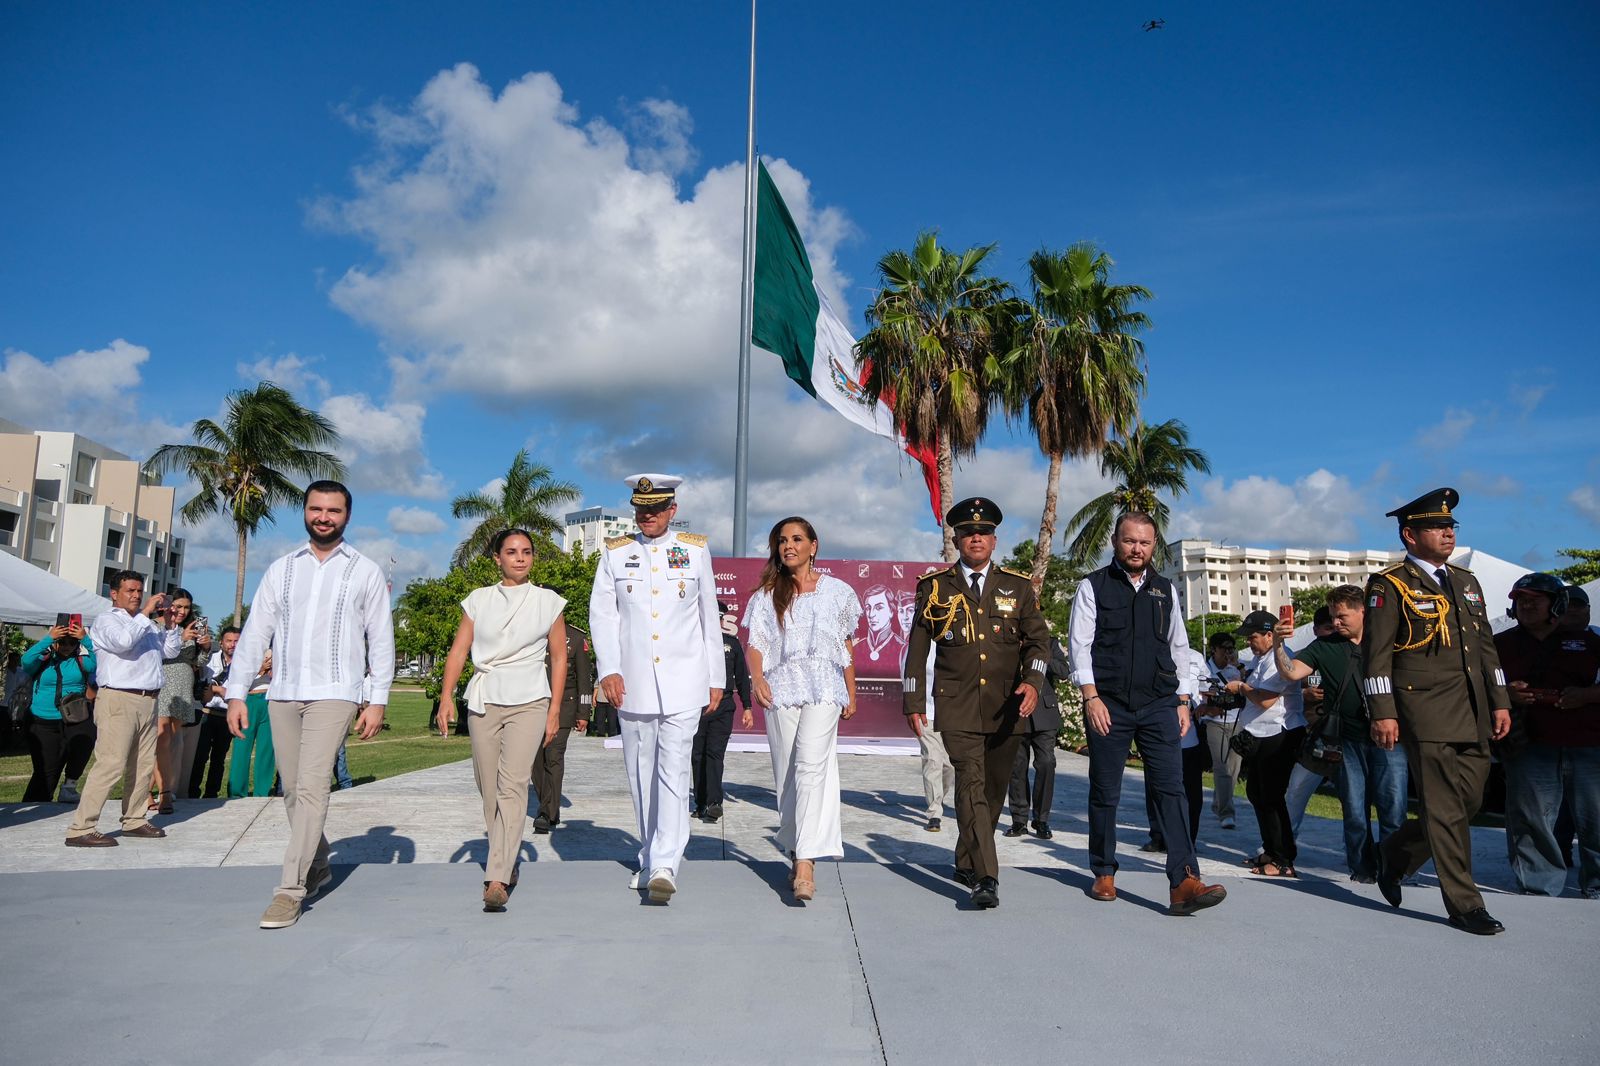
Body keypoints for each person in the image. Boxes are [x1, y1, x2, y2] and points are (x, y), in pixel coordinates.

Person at [227, 481, 394, 929]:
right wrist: (236, 693)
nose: (324, 516)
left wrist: (376, 700)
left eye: (333, 510)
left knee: (314, 786)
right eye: (316, 508)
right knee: (292, 788)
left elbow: (381, 641)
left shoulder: (365, 571)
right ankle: (319, 862)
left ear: (347, 516)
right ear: (304, 511)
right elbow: (255, 634)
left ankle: (290, 889)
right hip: (282, 692)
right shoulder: (282, 568)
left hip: (336, 692)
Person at [1362, 487, 1511, 935]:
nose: (1448, 532)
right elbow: (1376, 655)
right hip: (1422, 710)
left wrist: (1500, 699)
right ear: (1410, 535)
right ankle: (1465, 905)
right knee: (1445, 807)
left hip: (1473, 710)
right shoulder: (1390, 584)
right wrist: (1382, 711)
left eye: (1450, 527)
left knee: (1468, 801)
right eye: (1437, 527)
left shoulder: (1467, 582)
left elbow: (1486, 648)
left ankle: (1395, 852)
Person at [1069, 512, 1227, 915]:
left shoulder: (1165, 590)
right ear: (1115, 541)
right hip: (1109, 705)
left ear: (1153, 544)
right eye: (1129, 541)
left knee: (1172, 789)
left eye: (1145, 542)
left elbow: (1179, 647)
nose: (1137, 549)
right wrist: (1091, 697)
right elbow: (1080, 646)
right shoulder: (1093, 587)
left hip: (1159, 704)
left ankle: (1184, 880)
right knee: (1106, 791)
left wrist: (1182, 700)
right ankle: (1103, 870)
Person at [904, 497, 1049, 909]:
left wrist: (1034, 681)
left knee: (993, 791)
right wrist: (913, 699)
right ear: (956, 539)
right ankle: (986, 877)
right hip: (957, 705)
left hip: (1008, 707)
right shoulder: (934, 588)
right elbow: (916, 651)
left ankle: (966, 857)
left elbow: (1039, 642)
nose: (976, 538)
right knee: (970, 786)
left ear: (994, 539)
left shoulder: (1018, 588)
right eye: (968, 533)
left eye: (983, 533)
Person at [588, 473, 721, 903]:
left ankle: (666, 862)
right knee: (639, 771)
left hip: (685, 680)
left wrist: (716, 677)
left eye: (656, 509)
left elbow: (708, 619)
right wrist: (608, 669)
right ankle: (649, 856)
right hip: (633, 682)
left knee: (674, 768)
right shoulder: (614, 554)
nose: (647, 515)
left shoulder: (695, 551)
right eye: (641, 509)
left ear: (672, 511)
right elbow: (603, 616)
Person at [437, 528, 567, 911]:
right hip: (484, 699)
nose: (520, 558)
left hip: (530, 699)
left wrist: (555, 708)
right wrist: (446, 696)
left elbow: (558, 657)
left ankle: (496, 875)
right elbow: (460, 650)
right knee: (488, 787)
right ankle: (506, 860)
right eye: (511, 552)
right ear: (497, 558)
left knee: (513, 786)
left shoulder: (549, 601)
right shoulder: (478, 600)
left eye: (526, 552)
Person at [746, 517, 859, 901]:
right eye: (782, 541)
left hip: (825, 687)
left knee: (811, 764)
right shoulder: (764, 595)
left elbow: (844, 646)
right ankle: (798, 844)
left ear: (814, 545)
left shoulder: (839, 593)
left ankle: (805, 863)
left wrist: (851, 689)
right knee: (788, 774)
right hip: (780, 688)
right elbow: (756, 644)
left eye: (797, 539)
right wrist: (757, 678)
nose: (788, 546)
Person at [1267, 585, 1407, 882]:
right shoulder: (1324, 645)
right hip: (1346, 740)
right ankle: (1362, 870)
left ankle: (1396, 870)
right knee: (1355, 811)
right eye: (1333, 616)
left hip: (1390, 739)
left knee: (1393, 810)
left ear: (1363, 612)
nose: (1336, 622)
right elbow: (1291, 673)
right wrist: (1278, 643)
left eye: (1342, 616)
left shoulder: (1390, 641)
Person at [65, 570, 190, 846]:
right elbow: (122, 643)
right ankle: (81, 827)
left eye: (138, 590)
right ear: (114, 594)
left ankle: (134, 819)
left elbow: (169, 651)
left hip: (148, 698)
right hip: (119, 698)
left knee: (143, 764)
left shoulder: (144, 623)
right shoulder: (106, 620)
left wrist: (169, 625)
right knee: (111, 763)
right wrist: (146, 613)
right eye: (130, 591)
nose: (135, 595)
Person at [1495, 573, 1600, 897]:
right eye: (1520, 600)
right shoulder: (1500, 644)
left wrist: (1587, 696)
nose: (1525, 605)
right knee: (1532, 820)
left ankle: (1597, 884)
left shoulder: (1590, 642)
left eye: (1534, 600)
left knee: (1596, 820)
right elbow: (1479, 686)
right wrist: (1506, 694)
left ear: (1556, 604)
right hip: (1530, 746)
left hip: (1588, 744)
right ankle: (1540, 889)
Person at [1222, 611, 1308, 877]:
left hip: (1280, 733)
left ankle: (1284, 858)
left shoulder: (1281, 659)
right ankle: (1271, 849)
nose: (1249, 642)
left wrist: (1242, 689)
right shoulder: (1262, 659)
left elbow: (1267, 700)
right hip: (1261, 733)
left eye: (1254, 636)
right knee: (1257, 793)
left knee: (1271, 797)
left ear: (1271, 635)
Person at [20, 621, 96, 803]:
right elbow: (26, 660)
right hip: (43, 721)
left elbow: (100, 662)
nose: (67, 647)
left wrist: (85, 639)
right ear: (55, 643)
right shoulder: (43, 660)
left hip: (75, 718)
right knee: (47, 772)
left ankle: (70, 785)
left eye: (71, 643)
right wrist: (49, 638)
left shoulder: (80, 661)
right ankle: (37, 805)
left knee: (85, 739)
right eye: (62, 642)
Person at [151, 589, 209, 814]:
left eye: (186, 607)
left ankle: (166, 789)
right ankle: (155, 791)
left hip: (184, 683)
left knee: (173, 742)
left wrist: (204, 647)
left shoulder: (193, 626)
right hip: (163, 682)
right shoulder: (157, 625)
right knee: (160, 739)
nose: (182, 611)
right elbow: (155, 654)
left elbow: (198, 663)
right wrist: (179, 638)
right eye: (178, 606)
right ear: (169, 605)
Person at [533, 619, 593, 832]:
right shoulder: (532, 631)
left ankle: (546, 812)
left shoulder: (575, 638)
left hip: (564, 709)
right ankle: (549, 806)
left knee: (553, 757)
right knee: (535, 762)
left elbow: (584, 678)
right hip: (535, 706)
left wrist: (583, 712)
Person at [1005, 635, 1068, 838]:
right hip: (1016, 712)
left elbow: (1064, 671)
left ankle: (1041, 819)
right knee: (1016, 767)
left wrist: (1043, 655)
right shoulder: (1008, 641)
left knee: (1046, 763)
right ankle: (1019, 820)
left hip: (1045, 715)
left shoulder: (1049, 642)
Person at [694, 603, 751, 823]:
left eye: (719, 619)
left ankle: (714, 803)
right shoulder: (693, 643)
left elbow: (741, 676)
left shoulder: (731, 644)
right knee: (697, 755)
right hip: (697, 705)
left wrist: (747, 707)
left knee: (715, 754)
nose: (716, 622)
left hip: (724, 706)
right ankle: (700, 802)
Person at [1194, 632, 1244, 830]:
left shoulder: (1237, 669)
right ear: (1214, 649)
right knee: (1221, 767)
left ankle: (1218, 802)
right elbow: (1198, 694)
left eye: (1231, 648)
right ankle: (1227, 813)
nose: (1228, 652)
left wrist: (1238, 668)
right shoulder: (1204, 670)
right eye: (1224, 648)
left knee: (1234, 770)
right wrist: (1207, 707)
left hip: (1236, 721)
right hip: (1214, 722)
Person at [190, 626, 239, 799]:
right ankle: (192, 792)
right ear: (221, 642)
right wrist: (220, 689)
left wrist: (217, 689)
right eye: (229, 641)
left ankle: (212, 793)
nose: (232, 645)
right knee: (199, 756)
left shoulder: (243, 664)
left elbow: (234, 692)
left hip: (226, 716)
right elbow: (203, 683)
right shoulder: (210, 658)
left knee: (219, 759)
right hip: (207, 713)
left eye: (236, 641)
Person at [228, 650, 275, 797]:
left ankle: (262, 793)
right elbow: (235, 678)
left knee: (267, 750)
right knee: (242, 748)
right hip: (249, 699)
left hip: (269, 699)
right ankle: (237, 793)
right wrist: (260, 669)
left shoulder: (278, 645)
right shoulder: (248, 647)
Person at [859, 584, 905, 666]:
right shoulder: (856, 648)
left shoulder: (904, 649)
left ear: (891, 611)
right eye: (868, 608)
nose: (871, 615)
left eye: (878, 608)